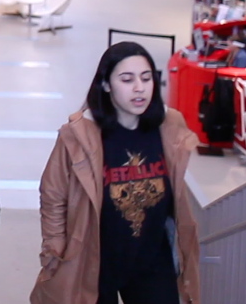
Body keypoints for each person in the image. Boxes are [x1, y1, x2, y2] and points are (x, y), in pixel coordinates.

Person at [30, 41, 201, 304]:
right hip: (94, 261)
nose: (139, 88)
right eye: (126, 79)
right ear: (107, 85)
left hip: (153, 260)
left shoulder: (169, 125)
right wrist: (54, 249)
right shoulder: (79, 134)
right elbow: (53, 194)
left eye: (146, 78)